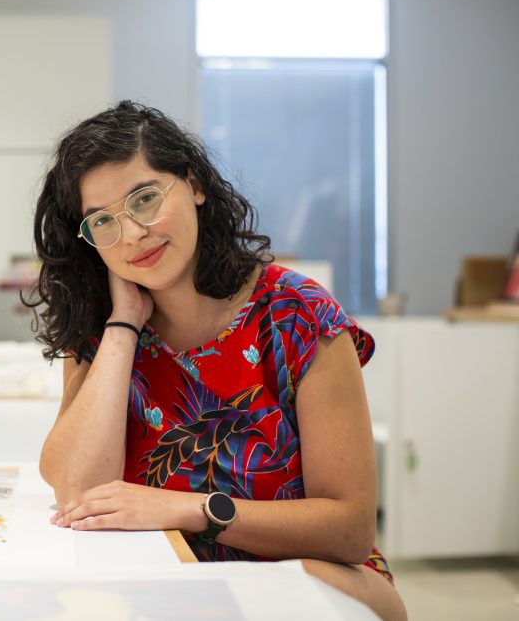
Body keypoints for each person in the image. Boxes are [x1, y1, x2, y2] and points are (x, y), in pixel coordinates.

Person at [28, 101, 406, 621]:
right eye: (103, 222)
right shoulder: (100, 327)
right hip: (168, 583)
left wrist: (191, 508)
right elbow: (79, 490)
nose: (132, 233)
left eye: (144, 199)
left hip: (304, 579)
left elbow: (350, 529)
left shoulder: (297, 316)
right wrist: (123, 325)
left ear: (195, 185)